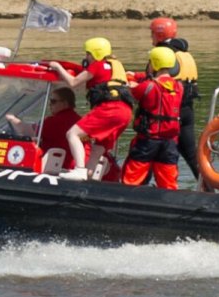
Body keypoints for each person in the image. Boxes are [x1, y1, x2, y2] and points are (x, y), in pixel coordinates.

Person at [53, 37, 132, 181]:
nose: (86, 57)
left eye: (87, 54)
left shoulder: (97, 65)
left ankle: (79, 169)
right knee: (97, 148)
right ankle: (88, 175)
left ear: (94, 54)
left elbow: (73, 82)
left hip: (109, 109)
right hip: (125, 112)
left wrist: (58, 67)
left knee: (73, 134)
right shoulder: (115, 66)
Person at [122, 46, 184, 190]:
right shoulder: (179, 87)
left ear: (153, 63)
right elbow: (162, 82)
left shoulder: (147, 87)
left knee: (132, 179)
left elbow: (131, 91)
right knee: (168, 183)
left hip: (147, 141)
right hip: (170, 142)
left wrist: (130, 81)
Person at [149, 17, 200, 179]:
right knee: (191, 154)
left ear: (158, 34)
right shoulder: (183, 52)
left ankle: (141, 188)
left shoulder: (162, 54)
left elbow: (153, 81)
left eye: (152, 33)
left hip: (169, 112)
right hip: (187, 110)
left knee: (152, 148)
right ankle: (208, 188)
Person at [5, 86, 80, 169]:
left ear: (65, 104)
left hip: (59, 166)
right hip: (73, 165)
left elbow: (26, 130)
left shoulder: (54, 121)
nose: (50, 104)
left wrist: (12, 119)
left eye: (53, 101)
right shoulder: (78, 119)